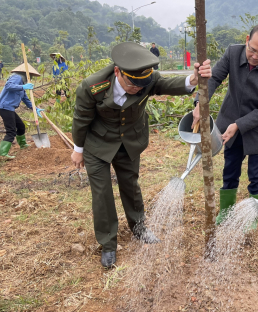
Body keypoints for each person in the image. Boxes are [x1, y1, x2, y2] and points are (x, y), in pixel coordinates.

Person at [71, 42, 211, 268]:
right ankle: (108, 244)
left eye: (141, 86)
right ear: (117, 72)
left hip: (129, 141)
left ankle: (139, 227)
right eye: (132, 85)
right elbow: (81, 119)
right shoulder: (92, 86)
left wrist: (192, 80)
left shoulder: (145, 79)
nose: (137, 89)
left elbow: (166, 83)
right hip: (98, 144)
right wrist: (78, 150)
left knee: (131, 185)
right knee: (102, 193)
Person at [192, 23, 258, 226]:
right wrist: (201, 102)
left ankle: (251, 217)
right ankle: (226, 212)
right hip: (229, 126)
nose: (254, 56)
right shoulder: (233, 53)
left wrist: (239, 124)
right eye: (251, 49)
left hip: (256, 128)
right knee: (230, 169)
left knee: (257, 174)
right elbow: (214, 77)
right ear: (246, 40)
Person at [0, 63, 44, 159]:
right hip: (5, 107)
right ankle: (3, 154)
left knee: (21, 126)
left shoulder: (22, 83)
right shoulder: (17, 77)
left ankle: (22, 144)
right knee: (11, 130)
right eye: (30, 75)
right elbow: (8, 86)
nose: (31, 77)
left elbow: (25, 99)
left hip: (9, 108)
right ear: (26, 73)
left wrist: (35, 108)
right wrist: (23, 87)